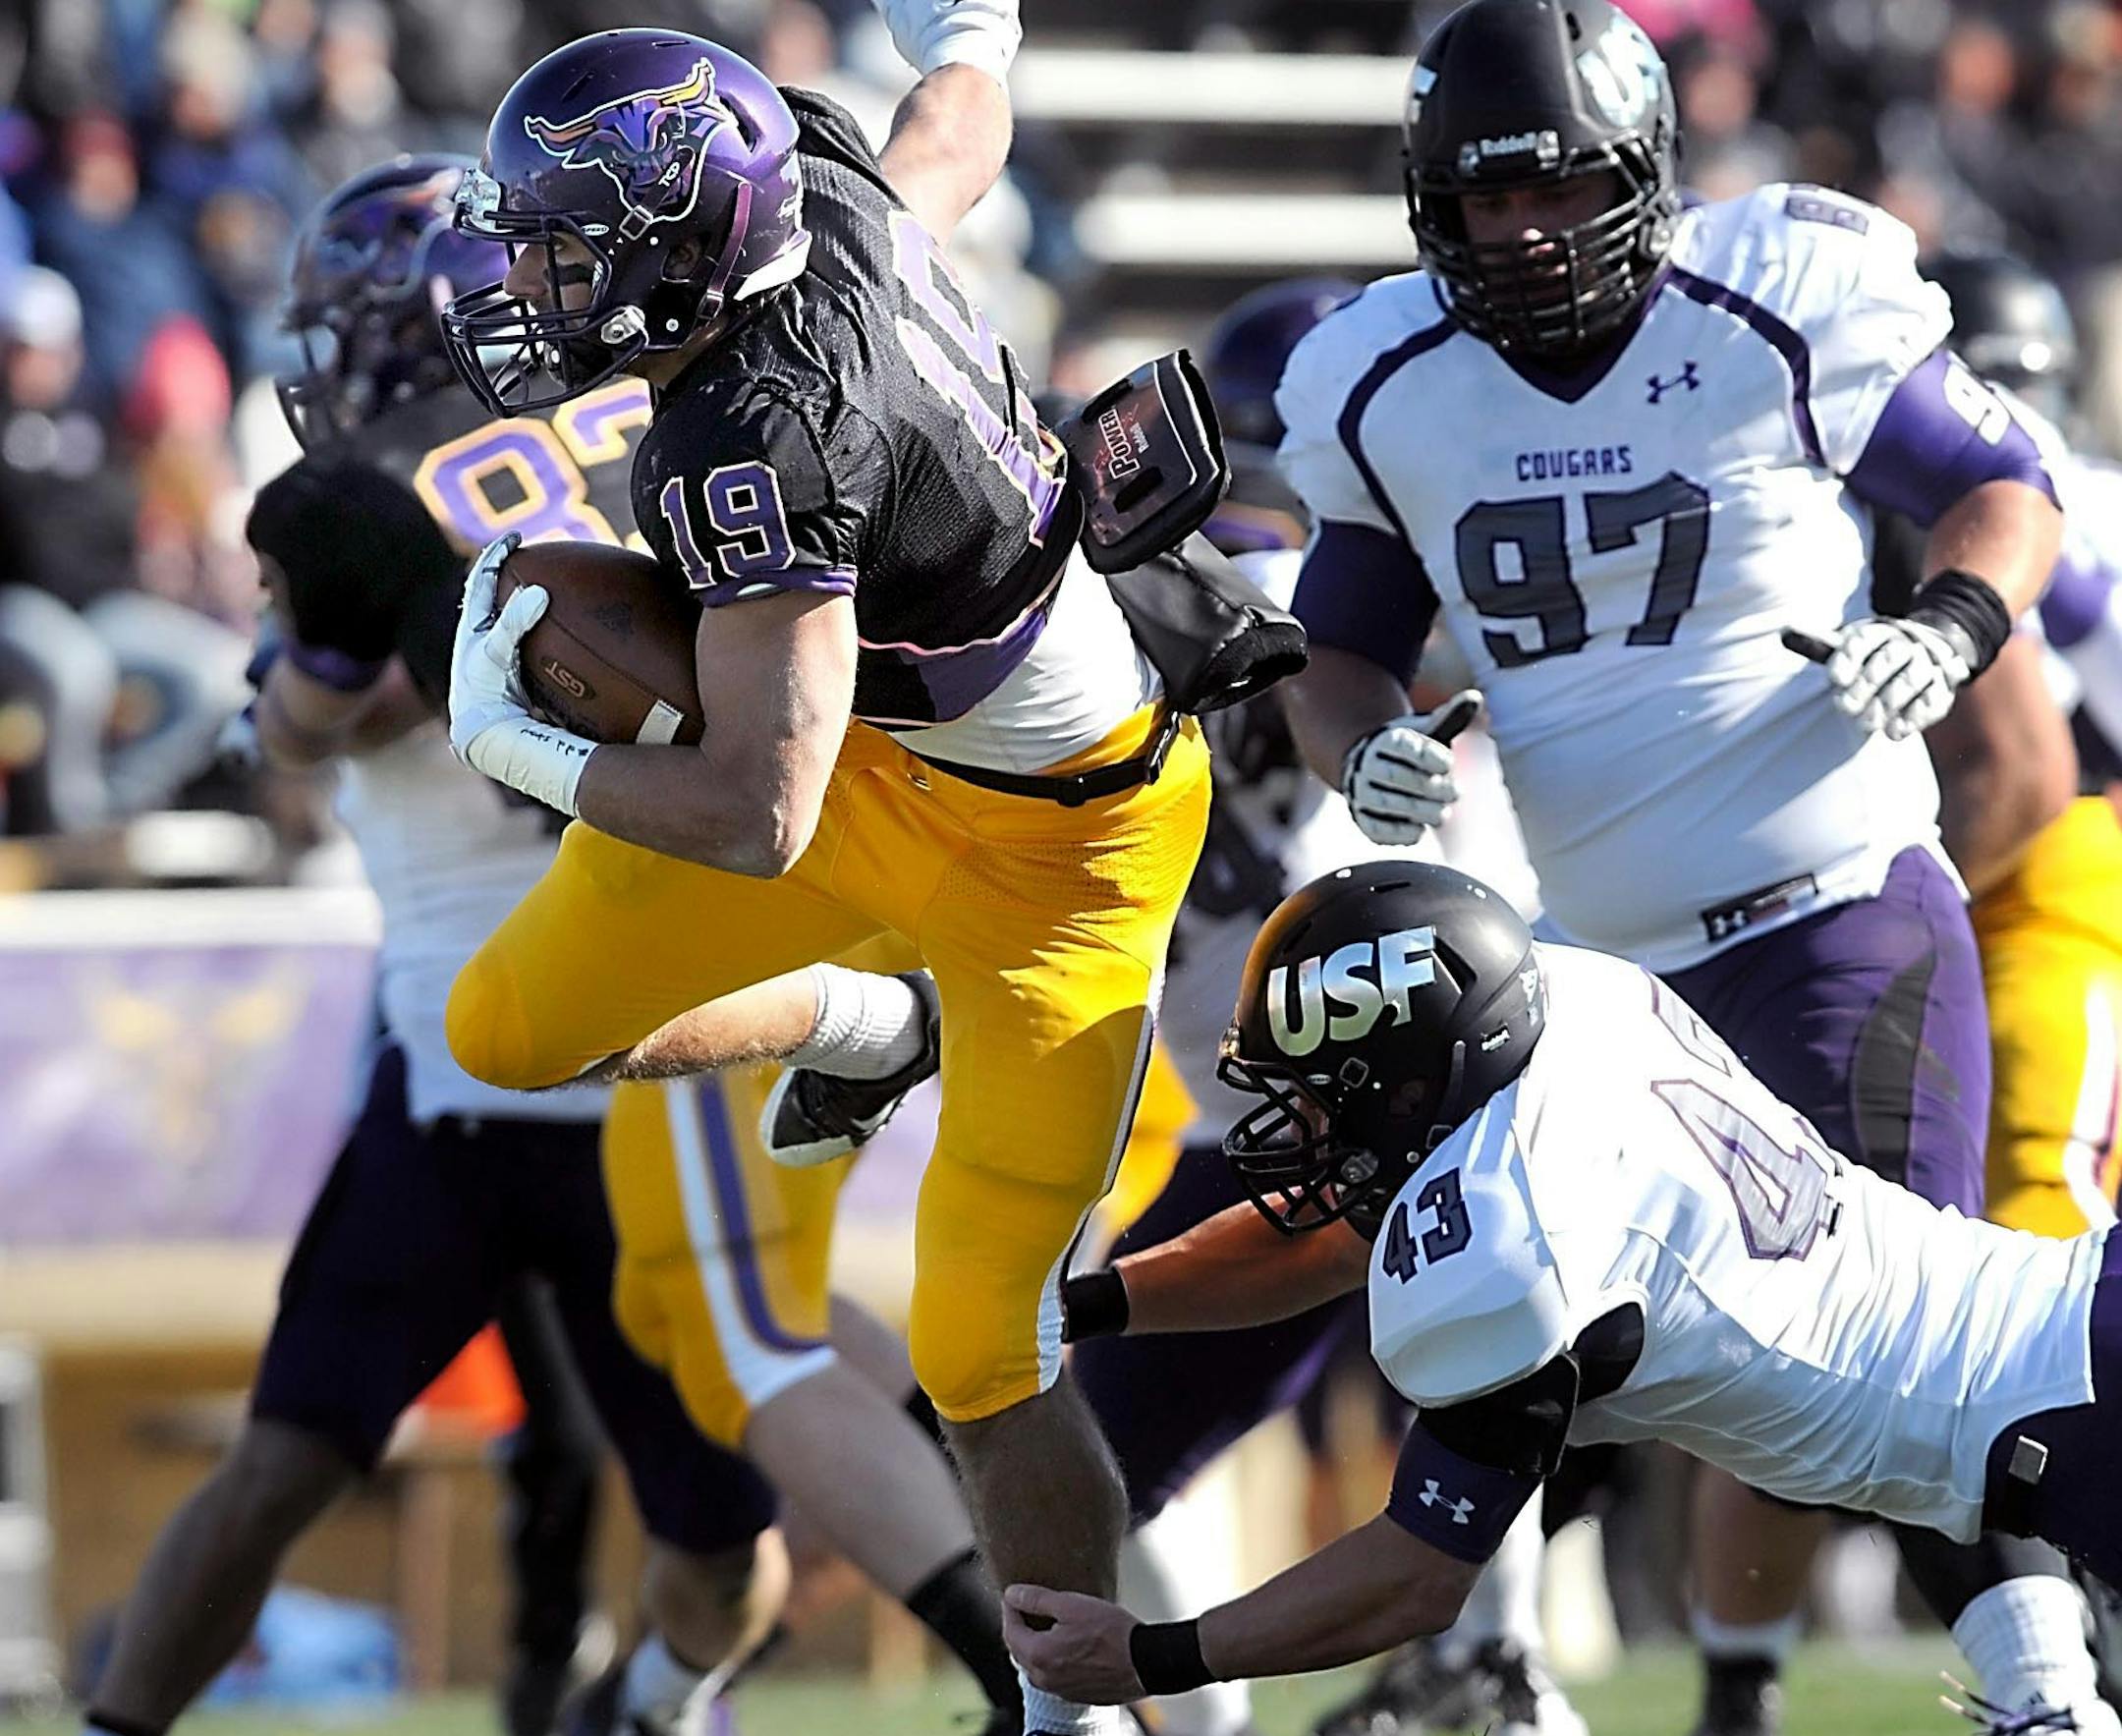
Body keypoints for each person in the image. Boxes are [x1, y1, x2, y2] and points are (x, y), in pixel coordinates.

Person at [1265, 2, 2081, 1730]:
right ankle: (1507, 1673)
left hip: (1834, 907)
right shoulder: (1388, 375)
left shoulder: (1776, 295)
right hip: (1594, 982)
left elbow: (2004, 489)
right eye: (1487, 201)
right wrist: (1362, 744)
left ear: (1643, 173)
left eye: (1559, 189)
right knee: (1520, 1340)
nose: (1524, 235)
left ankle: (2050, 1696)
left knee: (1929, 1356)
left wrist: (1949, 626)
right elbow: (1338, 650)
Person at [433, 15, 1215, 1734]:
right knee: (502, 1026)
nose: (533, 281)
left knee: (981, 1350)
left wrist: (515, 748)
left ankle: (1070, 1715)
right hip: (878, 744)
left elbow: (758, 814)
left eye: (567, 247)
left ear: (678, 244)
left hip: (1057, 852)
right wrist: (974, 31)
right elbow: (950, 135)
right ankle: (876, 1020)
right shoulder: (819, 201)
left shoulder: (756, 435)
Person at [79, 157, 788, 1736]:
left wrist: (375, 645)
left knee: (700, 1522)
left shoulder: (408, 480)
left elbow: (298, 723)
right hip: (540, 1074)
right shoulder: (655, 429)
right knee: (309, 1456)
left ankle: (640, 1702)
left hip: (590, 1074)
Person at [1006, 861, 2122, 1736]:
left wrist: (1153, 1656)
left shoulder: (1514, 1241)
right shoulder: (1568, 1004)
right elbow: (1341, 1235)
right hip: (2067, 1330)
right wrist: (1089, 1303)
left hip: (2062, 1420)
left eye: (1318, 1099)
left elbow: (1415, 1576)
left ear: (1408, 1085)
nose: (1298, 1132)